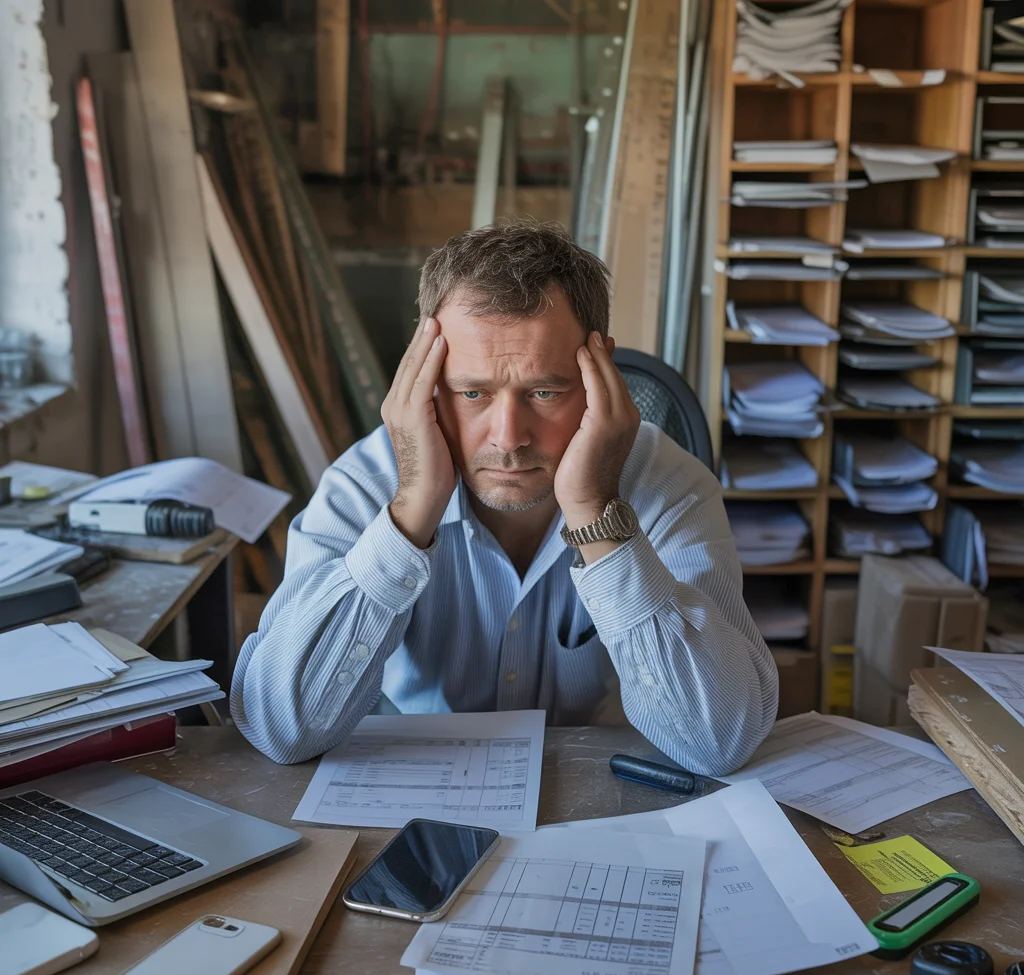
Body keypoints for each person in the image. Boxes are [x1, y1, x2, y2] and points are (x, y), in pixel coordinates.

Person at [231, 222, 778, 775]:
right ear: (424, 377)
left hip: (598, 782)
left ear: (601, 374)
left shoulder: (668, 485)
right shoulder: (365, 485)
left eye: (544, 392)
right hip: (414, 776)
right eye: (472, 393)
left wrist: (596, 515)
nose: (507, 437)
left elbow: (718, 743)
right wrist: (413, 506)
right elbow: (284, 729)